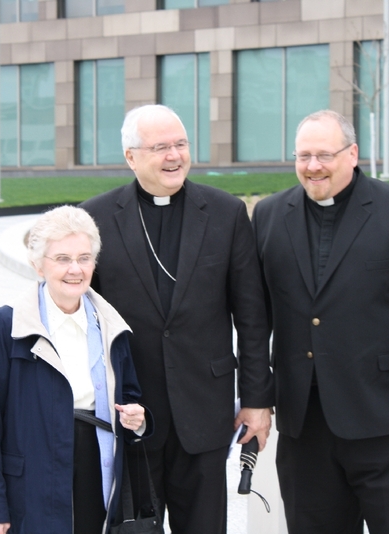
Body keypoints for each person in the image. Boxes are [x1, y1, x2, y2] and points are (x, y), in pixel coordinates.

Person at [252, 110, 389, 534]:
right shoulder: (268, 215)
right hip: (304, 424)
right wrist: (257, 396)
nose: (312, 166)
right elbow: (257, 316)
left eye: (324, 154)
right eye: (303, 155)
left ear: (353, 153)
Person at [80, 104, 274, 533]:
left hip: (206, 411)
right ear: (131, 157)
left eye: (181, 144)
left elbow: (253, 317)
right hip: (130, 412)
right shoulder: (95, 217)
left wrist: (258, 401)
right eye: (161, 147)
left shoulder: (225, 212)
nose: (174, 156)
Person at [0, 205, 151, 534]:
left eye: (84, 258)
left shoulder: (111, 326)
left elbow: (131, 396)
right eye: (62, 259)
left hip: (97, 470)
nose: (75, 269)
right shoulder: (9, 325)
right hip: (33, 474)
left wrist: (137, 417)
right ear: (39, 265)